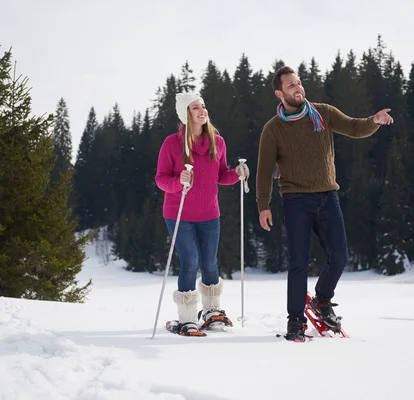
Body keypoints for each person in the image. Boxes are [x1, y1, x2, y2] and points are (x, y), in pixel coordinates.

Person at [256, 66, 393, 341]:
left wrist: (374, 121)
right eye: (291, 85)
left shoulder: (324, 114)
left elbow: (355, 127)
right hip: (295, 200)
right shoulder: (273, 129)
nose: (298, 88)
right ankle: (295, 319)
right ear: (279, 93)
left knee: (340, 256)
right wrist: (263, 205)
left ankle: (321, 299)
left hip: (328, 197)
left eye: (299, 83)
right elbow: (264, 169)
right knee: (298, 262)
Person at [155, 92, 249, 336]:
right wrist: (179, 181)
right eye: (196, 107)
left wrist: (237, 173)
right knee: (190, 260)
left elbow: (221, 175)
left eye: (203, 106)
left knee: (209, 262)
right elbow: (161, 179)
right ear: (186, 114)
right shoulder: (171, 144)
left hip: (209, 214)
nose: (202, 111)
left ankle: (211, 311)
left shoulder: (217, 142)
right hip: (179, 214)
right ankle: (187, 318)